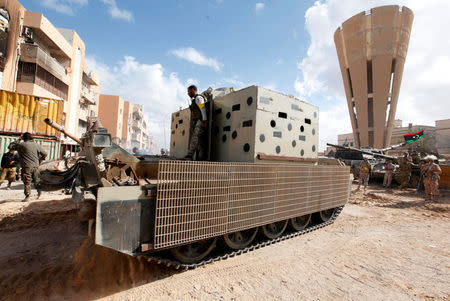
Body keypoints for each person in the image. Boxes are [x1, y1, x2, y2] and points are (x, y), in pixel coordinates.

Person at [9, 132, 47, 201]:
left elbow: (10, 147)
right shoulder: (36, 145)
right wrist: (40, 160)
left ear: (24, 138)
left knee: (27, 182)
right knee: (37, 181)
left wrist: (18, 140)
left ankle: (27, 196)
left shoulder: (22, 145)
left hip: (26, 167)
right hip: (36, 166)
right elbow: (45, 154)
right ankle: (39, 194)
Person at [185, 85, 207, 160]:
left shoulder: (198, 98)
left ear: (194, 90)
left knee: (195, 137)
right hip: (198, 121)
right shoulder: (195, 99)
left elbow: (203, 109)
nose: (188, 93)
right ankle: (201, 157)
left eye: (189, 91)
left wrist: (204, 121)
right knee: (200, 140)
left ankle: (189, 155)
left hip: (200, 121)